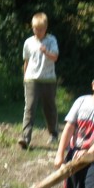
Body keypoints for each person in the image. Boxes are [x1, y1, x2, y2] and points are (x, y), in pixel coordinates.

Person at [19, 12, 59, 150]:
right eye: (36, 29)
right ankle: (25, 138)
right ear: (32, 28)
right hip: (32, 79)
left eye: (41, 29)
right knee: (29, 108)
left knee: (49, 109)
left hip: (48, 80)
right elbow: (26, 61)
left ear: (46, 28)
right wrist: (25, 77)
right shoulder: (28, 42)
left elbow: (55, 57)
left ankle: (53, 133)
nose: (38, 32)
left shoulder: (51, 40)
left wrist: (46, 51)